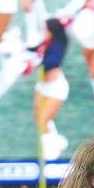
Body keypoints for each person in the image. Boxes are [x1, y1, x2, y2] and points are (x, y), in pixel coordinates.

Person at [32, 17, 71, 160]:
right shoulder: (46, 42)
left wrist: (34, 63)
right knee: (38, 118)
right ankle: (57, 140)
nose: (43, 31)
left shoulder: (58, 45)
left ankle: (51, 151)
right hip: (42, 86)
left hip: (56, 87)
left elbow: (52, 62)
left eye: (45, 29)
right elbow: (35, 49)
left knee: (43, 119)